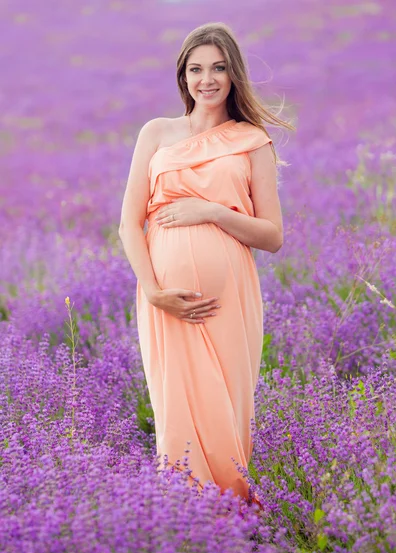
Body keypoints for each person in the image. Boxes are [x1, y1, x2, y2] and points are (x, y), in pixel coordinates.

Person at [119, 22, 294, 510]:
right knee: (177, 409)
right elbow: (129, 225)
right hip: (165, 302)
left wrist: (212, 211)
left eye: (218, 67)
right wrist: (153, 291)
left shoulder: (250, 140)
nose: (207, 79)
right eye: (196, 69)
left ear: (234, 74)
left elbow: (273, 236)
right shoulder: (156, 133)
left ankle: (232, 518)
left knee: (225, 411)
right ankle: (184, 516)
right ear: (183, 76)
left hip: (228, 302)